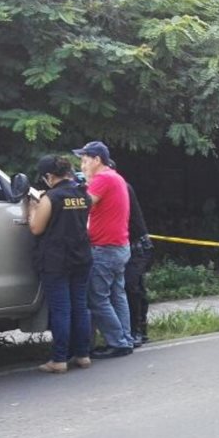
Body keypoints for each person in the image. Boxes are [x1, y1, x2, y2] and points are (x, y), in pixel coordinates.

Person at [28, 155, 93, 373]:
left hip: (56, 260)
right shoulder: (83, 194)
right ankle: (83, 355)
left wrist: (33, 208)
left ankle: (59, 359)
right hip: (81, 257)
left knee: (61, 310)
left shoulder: (51, 198)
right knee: (80, 307)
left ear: (49, 176)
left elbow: (36, 228)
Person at [73, 141, 135, 359]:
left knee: (97, 298)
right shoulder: (116, 177)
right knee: (117, 296)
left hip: (105, 248)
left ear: (97, 160)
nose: (82, 166)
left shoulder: (102, 179)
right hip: (119, 246)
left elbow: (84, 205)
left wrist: (71, 191)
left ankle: (118, 342)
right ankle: (125, 338)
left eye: (85, 161)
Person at [123, 177, 153, 346]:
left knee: (132, 286)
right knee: (133, 287)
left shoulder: (121, 187)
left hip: (137, 246)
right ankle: (136, 329)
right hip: (128, 245)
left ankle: (138, 330)